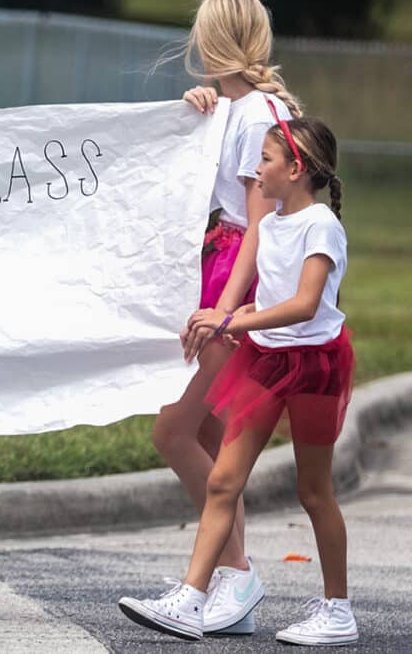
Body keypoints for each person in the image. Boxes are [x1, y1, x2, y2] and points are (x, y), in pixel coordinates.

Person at [120, 115, 356, 646]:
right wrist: (230, 313)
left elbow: (305, 304)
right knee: (224, 479)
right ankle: (191, 598)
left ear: (296, 169)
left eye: (267, 160)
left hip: (316, 365)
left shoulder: (321, 225)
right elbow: (271, 297)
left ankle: (338, 610)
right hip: (266, 361)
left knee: (313, 491)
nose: (257, 169)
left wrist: (232, 320)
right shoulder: (268, 226)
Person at [149, 0, 303, 635]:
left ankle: (235, 573)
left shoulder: (260, 116)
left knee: (174, 431)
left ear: (208, 40)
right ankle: (226, 583)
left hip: (236, 284)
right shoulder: (239, 111)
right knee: (209, 436)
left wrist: (228, 309)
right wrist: (198, 111)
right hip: (221, 273)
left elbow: (259, 222)